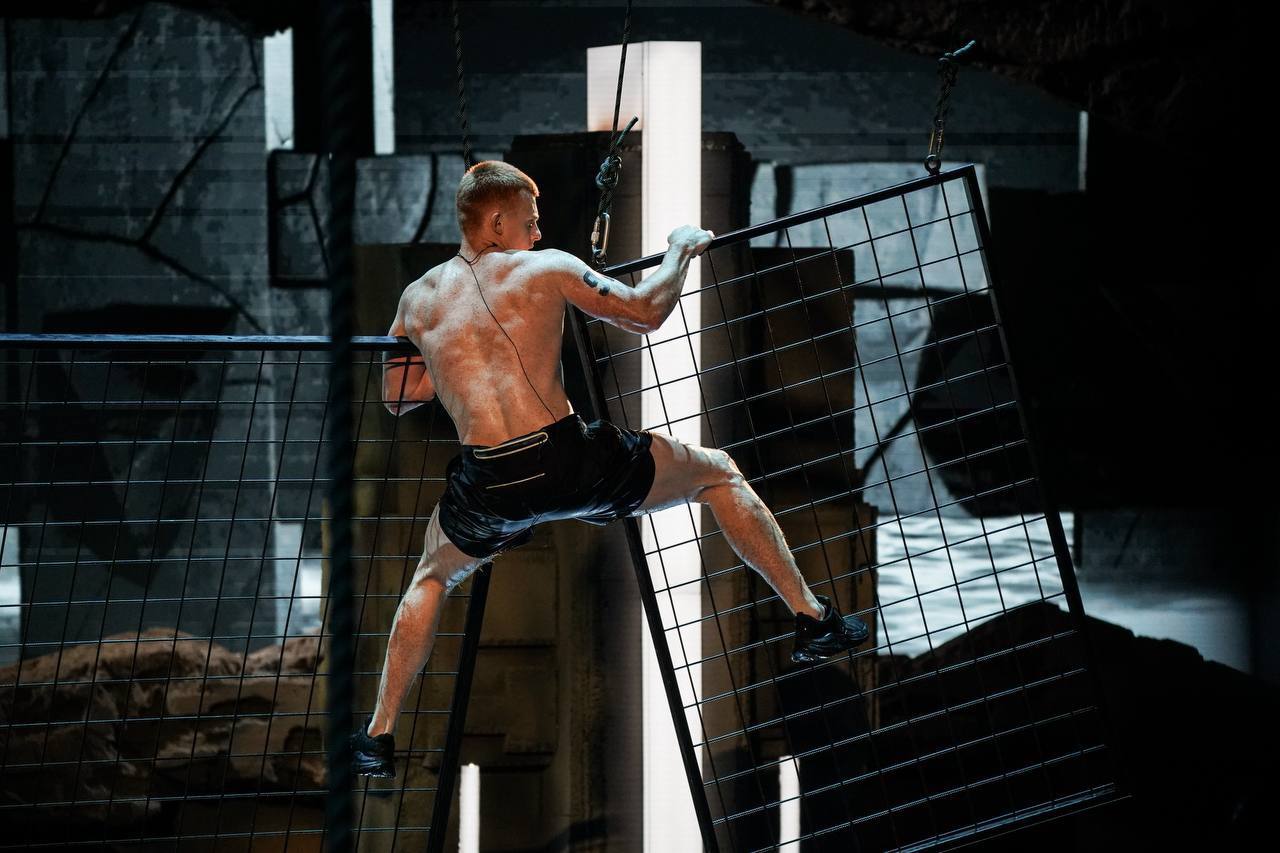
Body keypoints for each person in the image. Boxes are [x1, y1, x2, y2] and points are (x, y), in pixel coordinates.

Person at [351, 161, 868, 779]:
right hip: (565, 460)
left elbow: (398, 396)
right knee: (718, 474)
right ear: (496, 220)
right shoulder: (546, 268)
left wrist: (455, 354)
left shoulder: (418, 297)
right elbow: (646, 312)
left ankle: (378, 735)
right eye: (529, 221)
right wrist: (680, 250)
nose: (538, 233)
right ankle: (813, 617)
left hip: (491, 479)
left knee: (432, 576)